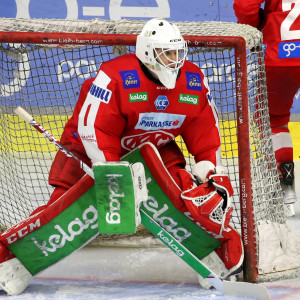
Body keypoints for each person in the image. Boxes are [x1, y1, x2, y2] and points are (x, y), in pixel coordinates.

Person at [0, 18, 243, 294]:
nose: (175, 60)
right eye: (167, 53)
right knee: (65, 212)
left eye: (178, 52)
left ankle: (212, 252)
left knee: (186, 194)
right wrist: (112, 174)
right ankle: (11, 259)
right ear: (149, 53)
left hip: (153, 152)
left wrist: (209, 166)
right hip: (92, 152)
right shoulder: (115, 77)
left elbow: (205, 129)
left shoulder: (192, 81)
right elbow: (95, 126)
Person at [233, 0, 300, 217]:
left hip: (282, 55)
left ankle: (286, 184)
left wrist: (256, 26)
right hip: (280, 56)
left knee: (274, 120)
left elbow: (245, 6)